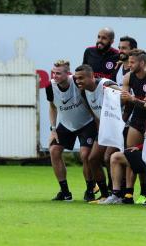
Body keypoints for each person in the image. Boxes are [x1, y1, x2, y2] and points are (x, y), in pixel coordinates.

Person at [45, 60, 97, 201]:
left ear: (68, 73)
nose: (55, 76)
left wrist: (97, 121)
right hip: (67, 124)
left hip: (86, 123)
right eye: (53, 73)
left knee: (85, 155)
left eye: (58, 73)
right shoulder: (50, 86)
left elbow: (91, 99)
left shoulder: (77, 82)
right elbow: (52, 107)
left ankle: (90, 189)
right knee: (54, 150)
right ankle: (65, 192)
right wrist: (53, 129)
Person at [120, 49, 146, 204]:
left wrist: (132, 99)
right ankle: (129, 193)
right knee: (131, 154)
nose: (129, 65)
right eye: (128, 62)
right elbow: (125, 100)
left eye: (132, 62)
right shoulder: (128, 77)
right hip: (137, 119)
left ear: (142, 63)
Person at [74, 64, 120, 202]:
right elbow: (95, 115)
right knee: (92, 159)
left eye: (81, 78)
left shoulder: (107, 85)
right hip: (104, 130)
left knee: (107, 158)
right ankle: (105, 194)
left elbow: (125, 97)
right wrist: (100, 130)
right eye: (76, 79)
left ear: (92, 76)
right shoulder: (83, 92)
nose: (78, 81)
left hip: (118, 128)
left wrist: (121, 123)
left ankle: (116, 194)